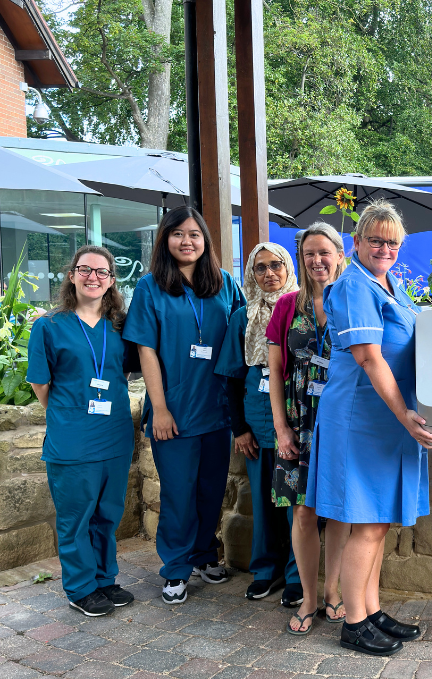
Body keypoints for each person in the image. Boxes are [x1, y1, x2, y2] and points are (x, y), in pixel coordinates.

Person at [307, 200, 432, 655]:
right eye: (376, 239)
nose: (385, 247)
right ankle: (354, 622)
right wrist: (405, 413)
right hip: (362, 417)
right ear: (357, 242)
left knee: (379, 521)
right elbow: (368, 356)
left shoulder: (390, 283)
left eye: (393, 242)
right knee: (365, 521)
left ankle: (372, 608)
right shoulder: (352, 287)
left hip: (389, 416)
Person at [123, 206, 245, 605]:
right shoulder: (150, 287)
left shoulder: (225, 284)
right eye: (178, 234)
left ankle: (204, 555)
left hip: (217, 411)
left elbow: (248, 331)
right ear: (165, 239)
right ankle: (175, 567)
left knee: (211, 490)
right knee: (178, 494)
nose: (187, 241)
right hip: (172, 413)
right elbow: (146, 350)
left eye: (194, 234)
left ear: (205, 240)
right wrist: (158, 409)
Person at [27, 246, 136, 617]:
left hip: (115, 435)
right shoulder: (50, 325)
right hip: (73, 438)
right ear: (71, 275)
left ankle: (105, 578)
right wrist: (68, 414)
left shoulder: (119, 325)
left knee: (108, 513)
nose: (93, 277)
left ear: (111, 281)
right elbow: (40, 385)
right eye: (85, 270)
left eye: (102, 272)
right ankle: (81, 588)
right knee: (76, 516)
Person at [267, 224, 351, 633]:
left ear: (339, 254)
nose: (317, 260)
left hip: (341, 418)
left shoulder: (352, 300)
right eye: (308, 254)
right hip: (299, 418)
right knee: (303, 511)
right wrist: (281, 429)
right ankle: (309, 597)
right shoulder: (286, 306)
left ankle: (334, 591)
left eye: (324, 252)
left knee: (337, 509)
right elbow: (276, 371)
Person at [216, 242, 303, 606]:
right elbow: (231, 379)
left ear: (288, 269)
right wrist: (239, 428)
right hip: (258, 426)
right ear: (251, 274)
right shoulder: (242, 317)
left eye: (276, 265)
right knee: (264, 504)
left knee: (296, 503)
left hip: (298, 423)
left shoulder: (303, 309)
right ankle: (266, 570)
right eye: (260, 267)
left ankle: (298, 573)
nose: (269, 274)